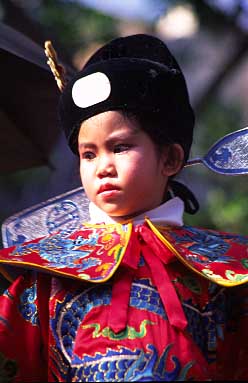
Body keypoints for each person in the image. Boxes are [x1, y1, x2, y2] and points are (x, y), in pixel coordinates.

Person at [0, 33, 248, 382]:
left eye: (120, 147)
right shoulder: (44, 276)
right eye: (89, 154)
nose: (103, 166)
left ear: (171, 158)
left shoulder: (225, 272)